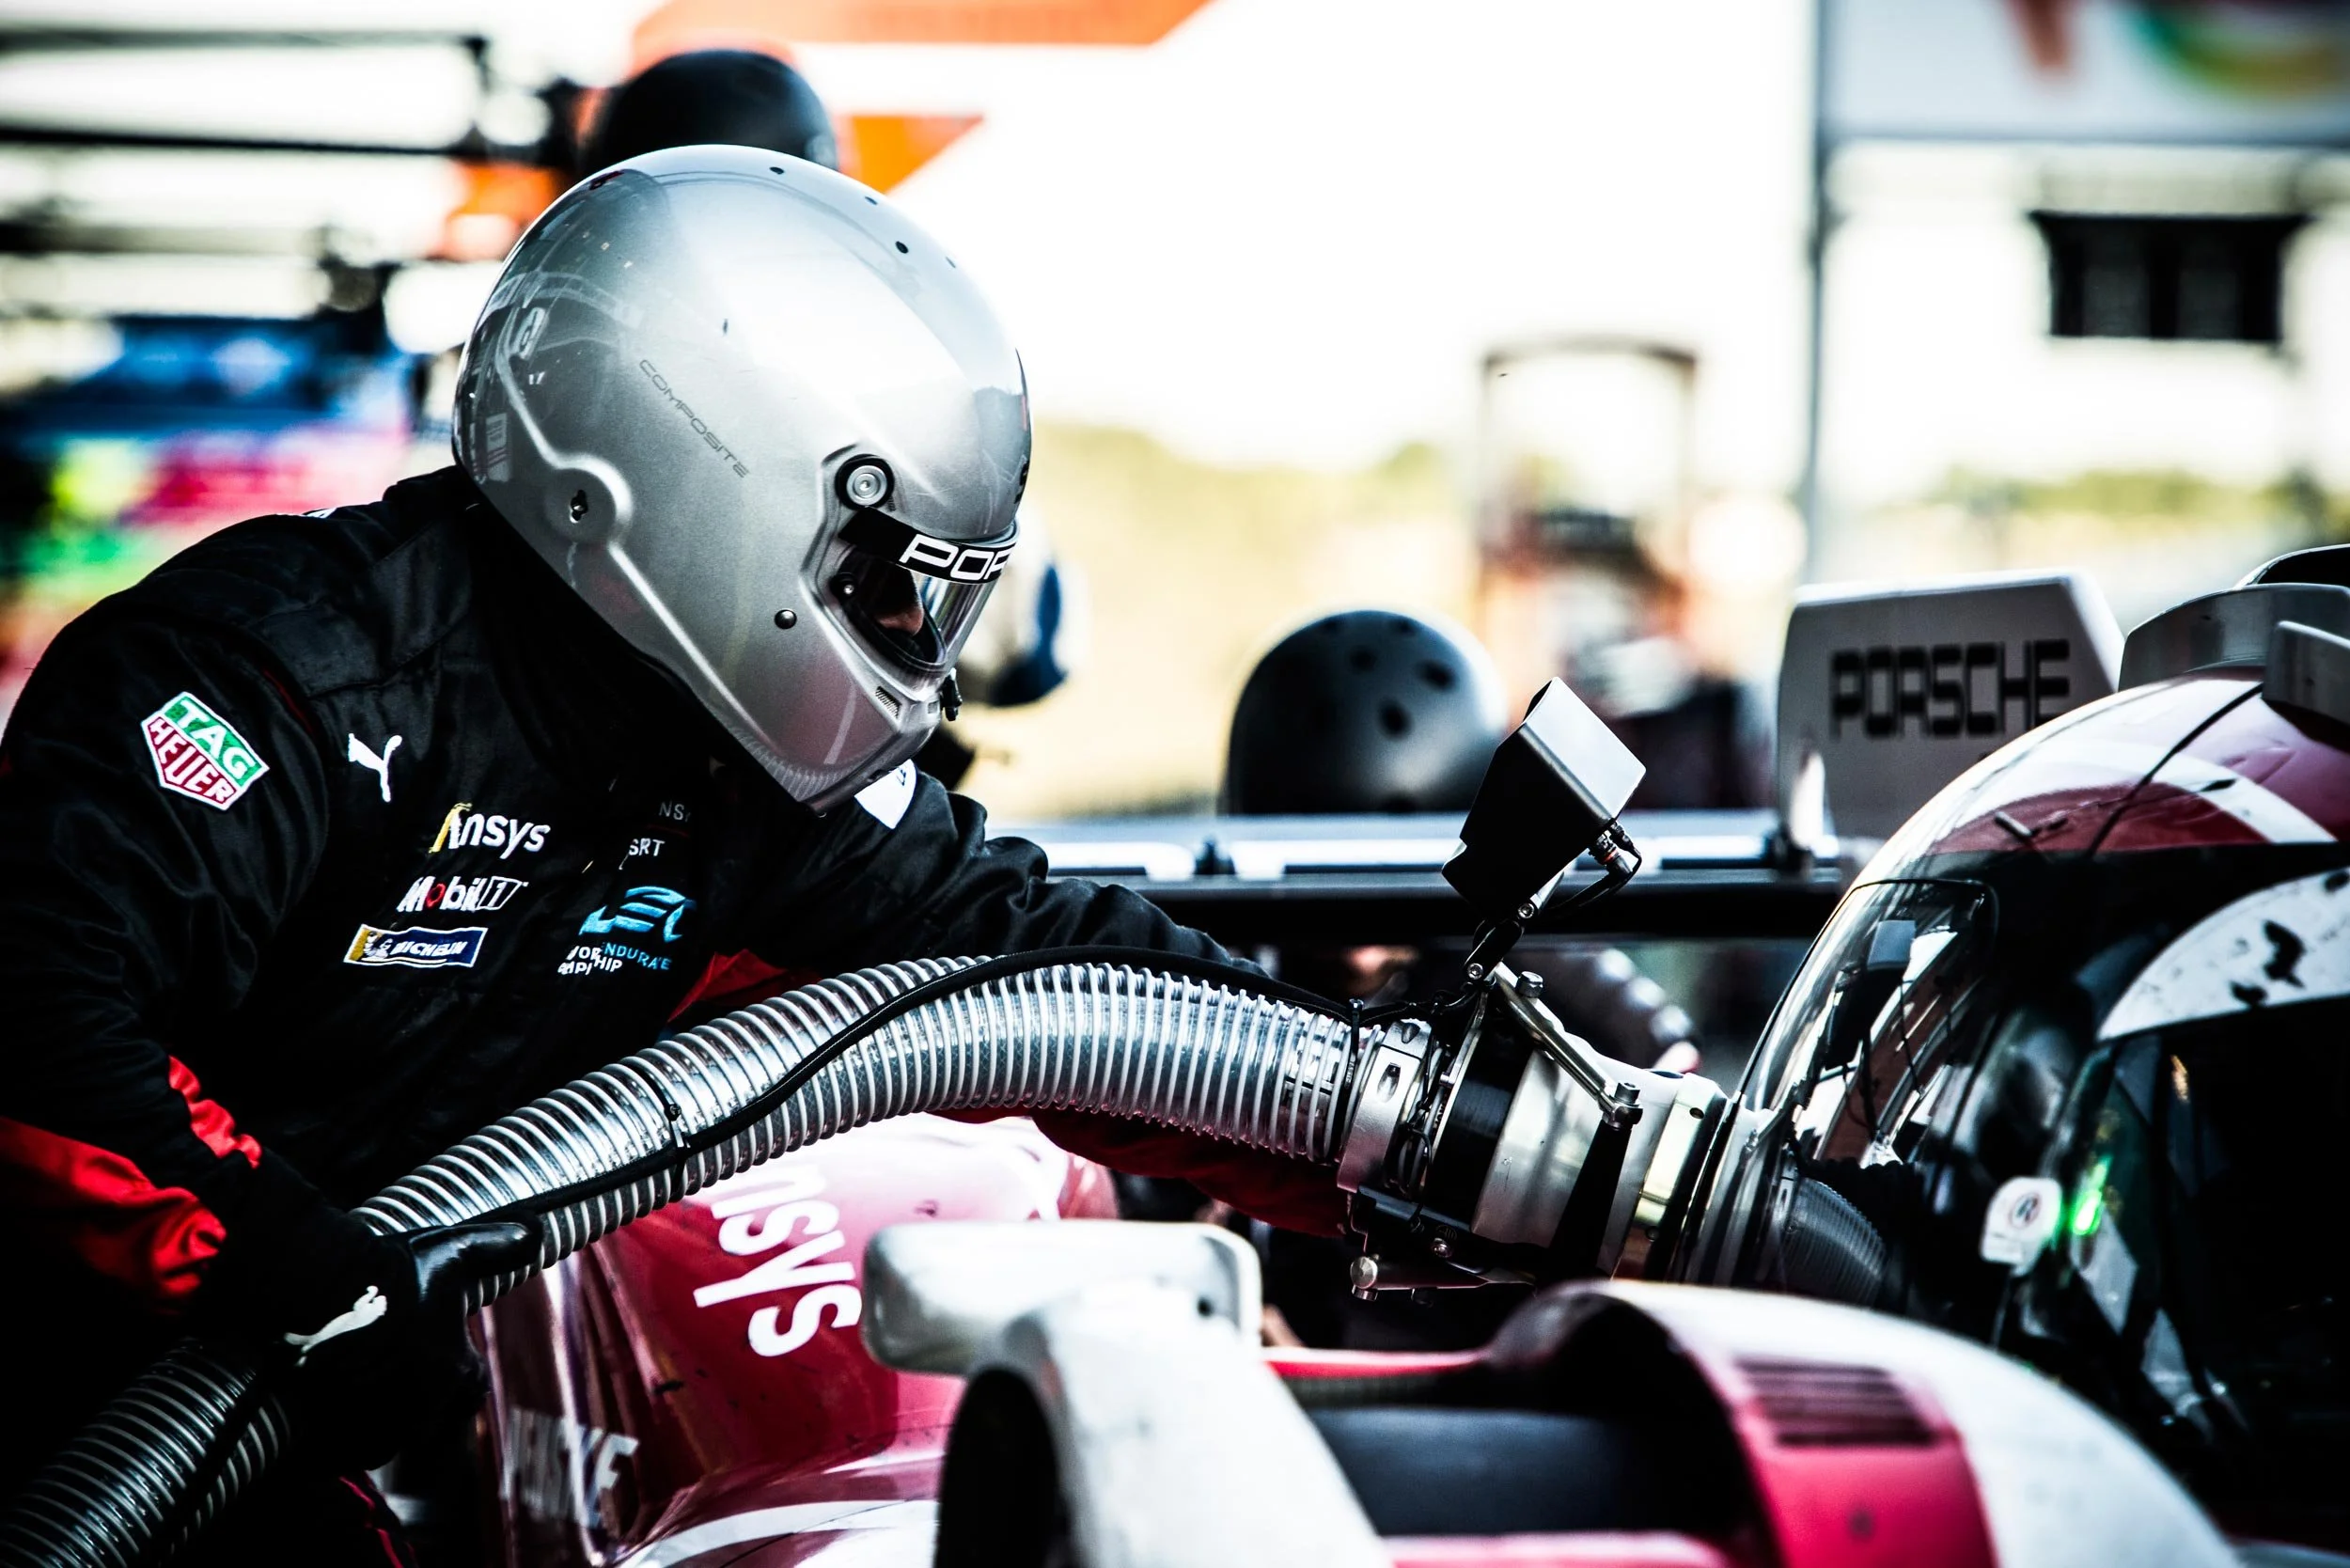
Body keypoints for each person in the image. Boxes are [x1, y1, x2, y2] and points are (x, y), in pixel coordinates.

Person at [0, 148, 1308, 1563]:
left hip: (267, 1403)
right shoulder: (286, 671)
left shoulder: (736, 785)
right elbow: (32, 1009)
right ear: (695, 479)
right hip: (83, 1400)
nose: (912, 645)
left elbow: (1058, 981)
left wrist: (1396, 1111)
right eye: (883, 579)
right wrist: (305, 1276)